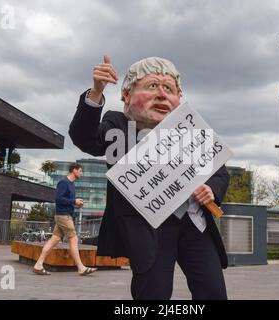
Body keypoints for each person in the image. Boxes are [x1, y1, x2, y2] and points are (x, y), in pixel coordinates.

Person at [69, 55, 230, 299]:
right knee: (153, 295)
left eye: (169, 89)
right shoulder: (117, 124)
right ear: (126, 95)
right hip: (150, 228)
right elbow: (85, 139)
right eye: (152, 86)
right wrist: (96, 91)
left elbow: (219, 171)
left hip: (194, 223)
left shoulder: (191, 130)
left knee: (214, 292)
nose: (162, 95)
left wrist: (211, 188)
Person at [32, 163, 97, 276]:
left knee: (55, 239)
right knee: (73, 239)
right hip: (63, 216)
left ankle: (38, 265)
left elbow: (67, 200)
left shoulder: (71, 184)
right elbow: (58, 199)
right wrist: (74, 201)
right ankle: (81, 268)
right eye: (80, 171)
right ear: (74, 170)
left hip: (66, 215)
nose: (81, 173)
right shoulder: (64, 182)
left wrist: (76, 202)